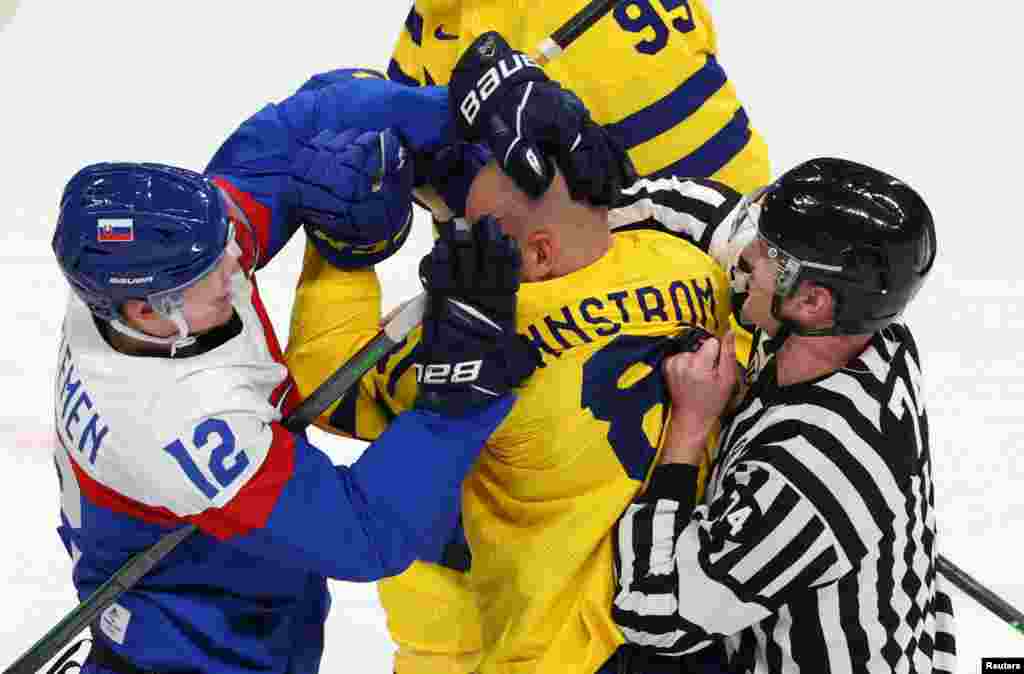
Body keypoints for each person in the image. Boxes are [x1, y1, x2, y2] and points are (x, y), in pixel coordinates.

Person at [50, 71, 536, 674]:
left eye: (226, 240)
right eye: (213, 270)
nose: (238, 258)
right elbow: (364, 535)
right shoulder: (179, 419)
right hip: (204, 651)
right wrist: (457, 398)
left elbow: (302, 124)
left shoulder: (157, 273)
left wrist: (453, 113)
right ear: (149, 310)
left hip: (194, 593)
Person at [285, 78, 741, 674]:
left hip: (556, 656)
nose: (459, 245)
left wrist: (344, 251)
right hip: (693, 629)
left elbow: (326, 387)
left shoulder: (478, 342)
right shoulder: (693, 268)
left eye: (473, 231)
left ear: (541, 255)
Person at [612, 158, 957, 673]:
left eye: (767, 252)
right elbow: (716, 221)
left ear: (813, 302)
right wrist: (599, 200)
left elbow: (653, 612)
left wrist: (690, 427)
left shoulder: (811, 470)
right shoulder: (874, 335)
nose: (745, 253)